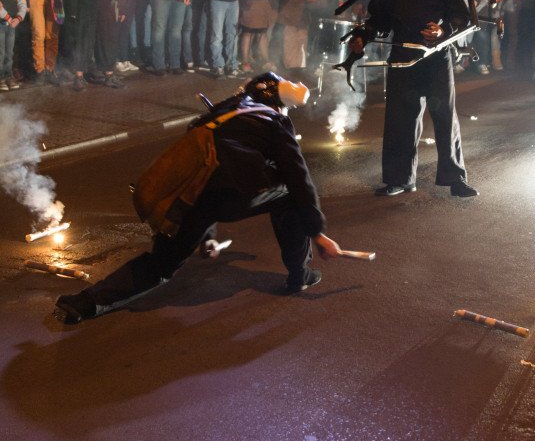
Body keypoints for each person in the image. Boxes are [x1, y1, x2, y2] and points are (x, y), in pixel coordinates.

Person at [53, 72, 342, 323]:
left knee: (160, 265)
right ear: (279, 103)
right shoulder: (274, 122)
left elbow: (207, 173)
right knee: (290, 195)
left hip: (192, 197)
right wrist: (317, 233)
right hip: (231, 195)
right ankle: (299, 275)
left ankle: (83, 303)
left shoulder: (222, 113)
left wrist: (207, 237)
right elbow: (299, 179)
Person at [346, 0, 478, 198]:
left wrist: (443, 31)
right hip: (403, 57)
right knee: (399, 119)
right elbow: (379, 20)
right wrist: (364, 35)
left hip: (436, 56)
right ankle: (400, 179)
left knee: (444, 117)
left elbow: (459, 15)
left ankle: (455, 178)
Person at [0, 0, 27, 91]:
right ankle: (1, 78)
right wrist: (9, 18)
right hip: (2, 23)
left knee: (9, 52)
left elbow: (22, 4)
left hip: (11, 25)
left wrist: (18, 18)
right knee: (1, 52)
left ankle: (8, 75)